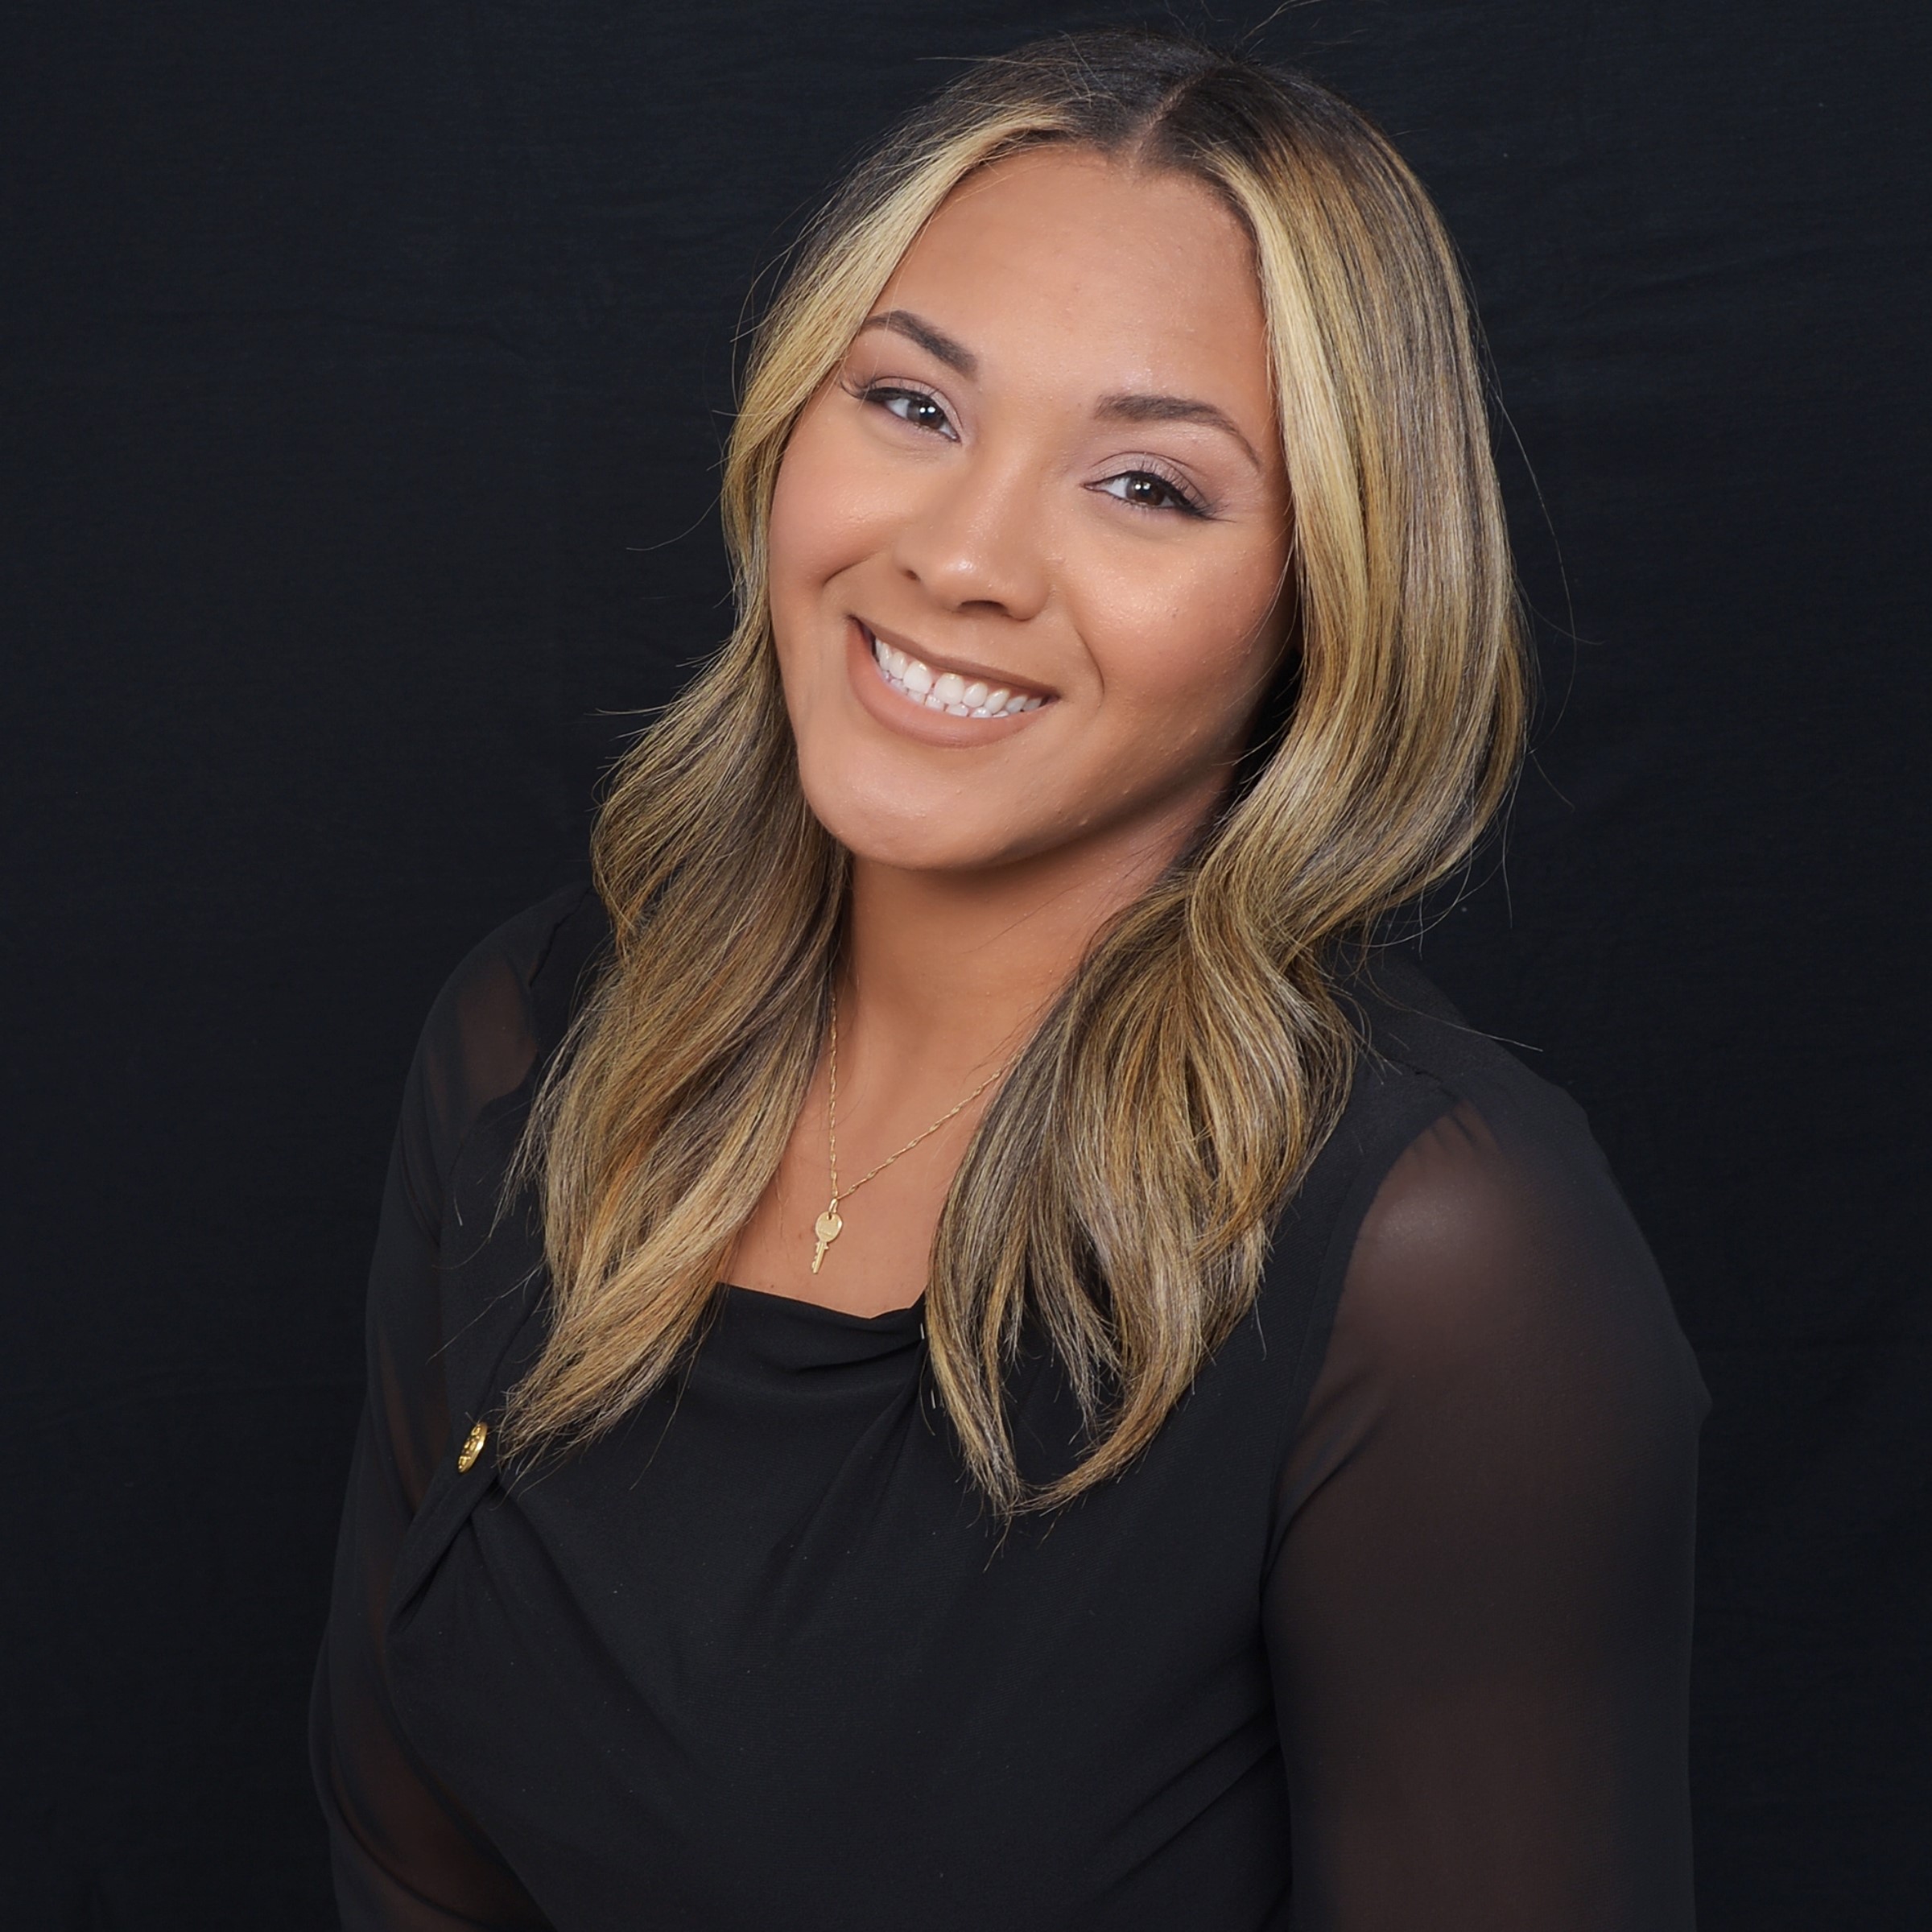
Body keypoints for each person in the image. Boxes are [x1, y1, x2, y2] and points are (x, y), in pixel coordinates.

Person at [312, 29, 1707, 1930]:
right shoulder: (533, 1043)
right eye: (913, 403)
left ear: (1328, 597)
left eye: (1147, 486)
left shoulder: (1435, 1269)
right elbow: (410, 1853)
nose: (964, 557)